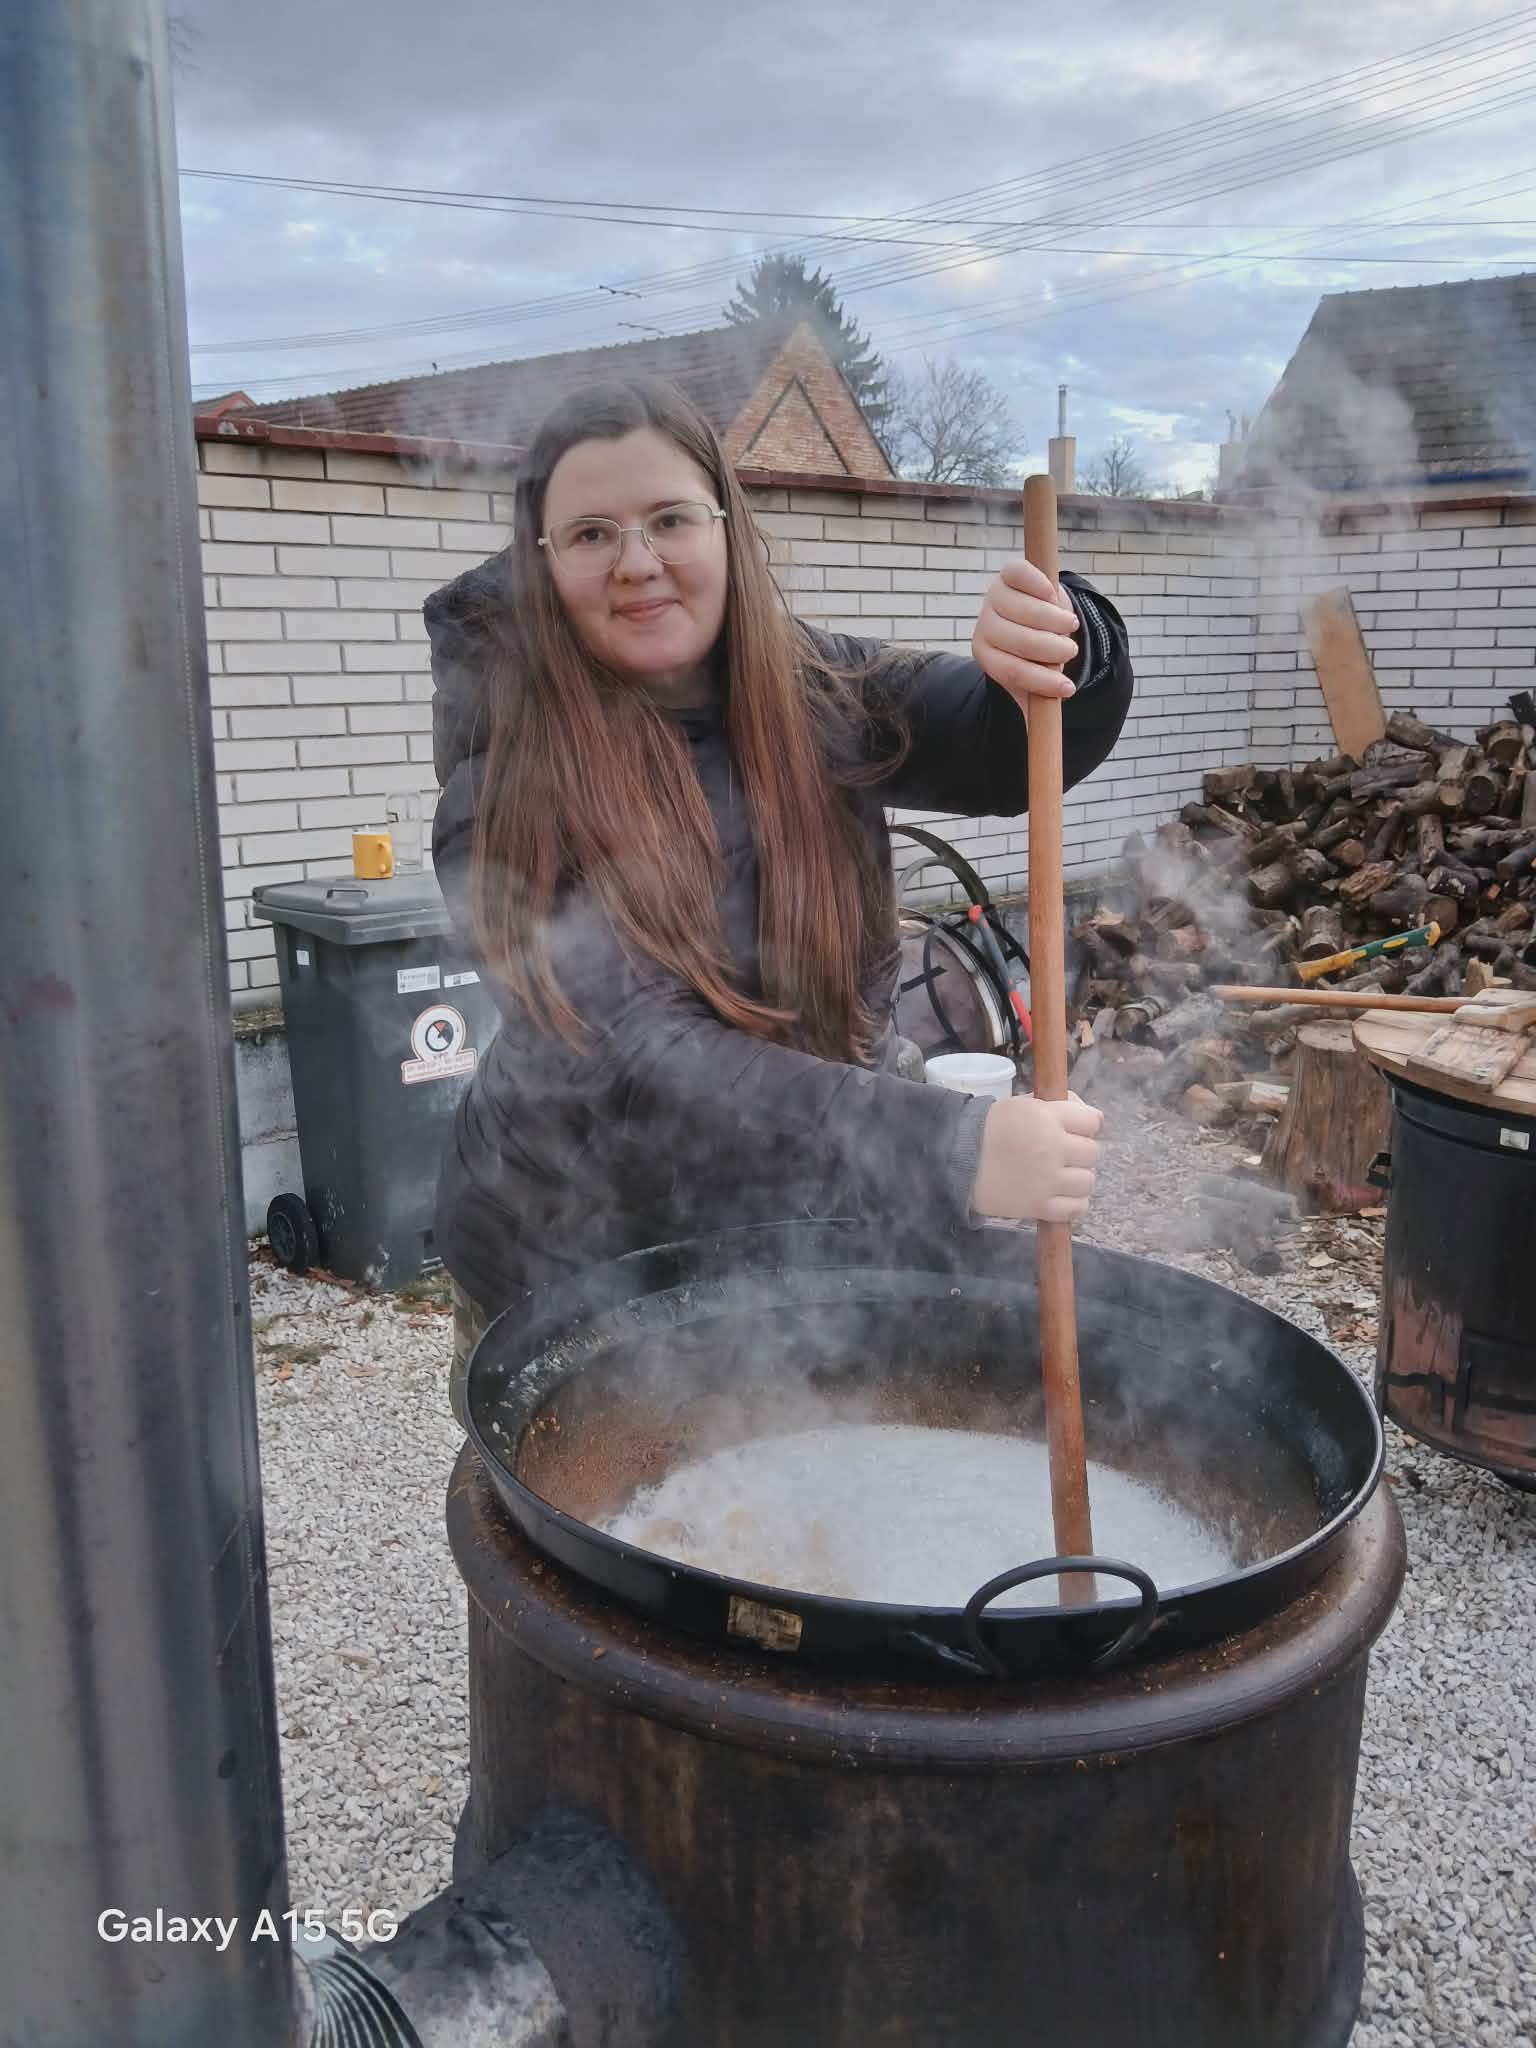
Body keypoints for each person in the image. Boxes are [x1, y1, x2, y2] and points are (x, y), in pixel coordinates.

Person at [426, 377, 1133, 1422]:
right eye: (590, 534)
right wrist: (955, 1150)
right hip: (578, 1266)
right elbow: (631, 1062)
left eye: (670, 519)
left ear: (727, 525)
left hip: (795, 1223)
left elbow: (1005, 743)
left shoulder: (814, 688)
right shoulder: (501, 783)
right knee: (633, 1517)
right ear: (543, 562)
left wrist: (1069, 641)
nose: (637, 561)